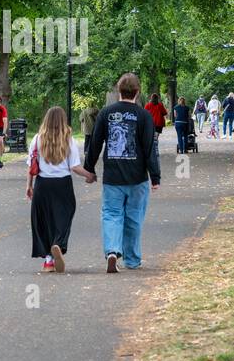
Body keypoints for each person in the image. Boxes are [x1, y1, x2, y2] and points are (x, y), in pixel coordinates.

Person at [85, 72, 160, 272]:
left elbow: (95, 143)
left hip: (113, 177)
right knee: (134, 217)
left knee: (111, 214)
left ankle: (112, 250)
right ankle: (133, 260)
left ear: (119, 90)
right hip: (138, 178)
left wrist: (89, 168)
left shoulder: (106, 113)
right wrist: (155, 176)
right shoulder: (144, 115)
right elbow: (149, 148)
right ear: (137, 92)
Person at [26, 106, 94, 273]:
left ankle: (48, 260)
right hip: (63, 185)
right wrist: (89, 175)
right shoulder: (68, 139)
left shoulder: (37, 139)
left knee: (44, 221)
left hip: (43, 185)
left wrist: (29, 186)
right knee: (64, 217)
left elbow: (31, 165)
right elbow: (75, 166)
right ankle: (58, 244)